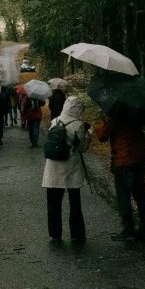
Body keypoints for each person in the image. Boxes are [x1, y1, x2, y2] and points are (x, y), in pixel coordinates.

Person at [92, 111, 145, 242]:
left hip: (125, 160)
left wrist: (100, 125)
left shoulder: (114, 116)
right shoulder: (135, 114)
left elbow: (102, 136)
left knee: (123, 195)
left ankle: (129, 230)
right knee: (141, 195)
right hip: (141, 158)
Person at [41, 97, 90, 243]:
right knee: (75, 203)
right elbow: (82, 148)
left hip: (53, 167)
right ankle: (77, 234)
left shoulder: (55, 121)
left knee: (53, 204)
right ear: (78, 109)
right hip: (71, 167)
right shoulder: (78, 125)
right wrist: (87, 135)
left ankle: (55, 234)